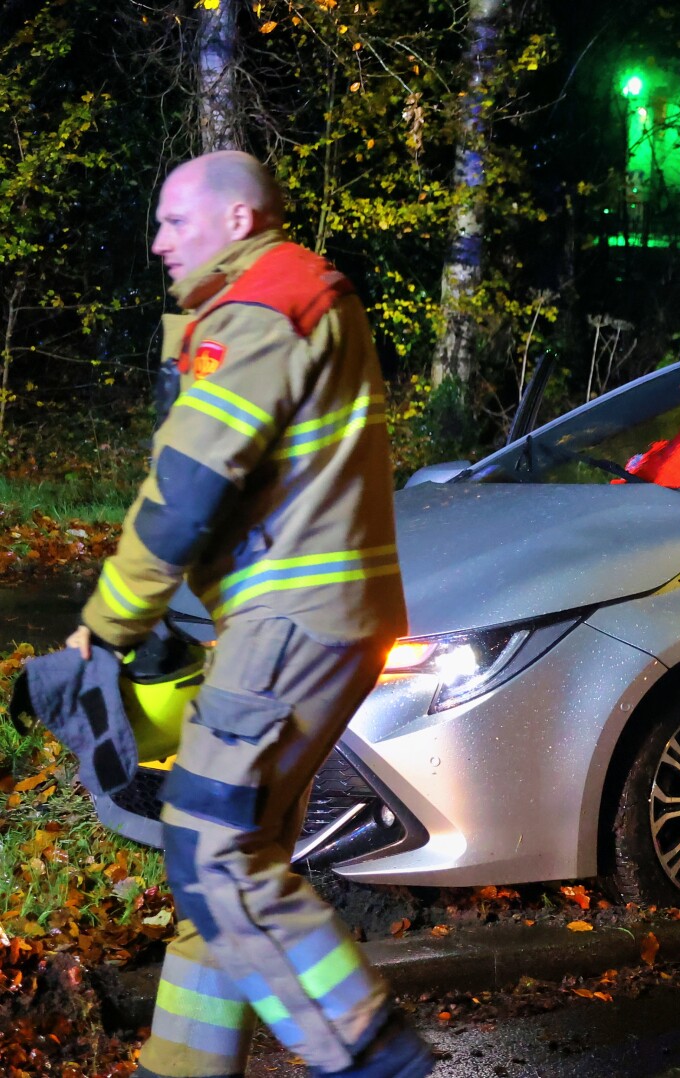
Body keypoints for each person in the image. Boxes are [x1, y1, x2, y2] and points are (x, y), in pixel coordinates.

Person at [68, 151, 431, 1078]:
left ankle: (373, 1056)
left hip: (293, 617)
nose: (156, 242)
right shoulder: (274, 303)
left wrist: (105, 628)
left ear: (236, 221)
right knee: (228, 870)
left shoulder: (264, 308)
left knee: (213, 849)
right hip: (310, 614)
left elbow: (185, 492)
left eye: (173, 222)